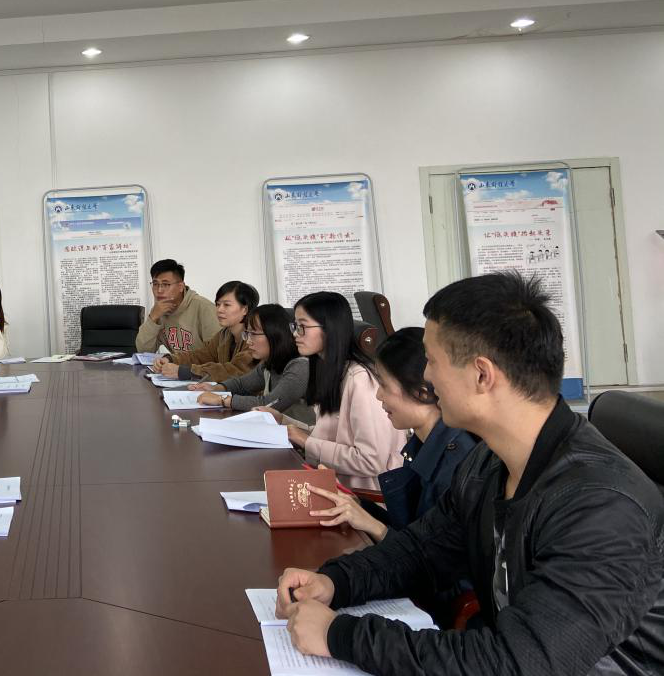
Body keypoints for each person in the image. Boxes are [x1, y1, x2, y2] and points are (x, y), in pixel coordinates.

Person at [275, 273, 664, 675]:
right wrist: (335, 582)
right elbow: (421, 551)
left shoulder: (601, 506)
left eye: (432, 360)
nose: (426, 376)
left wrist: (339, 634)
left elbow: (518, 663)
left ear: (482, 375)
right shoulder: (488, 463)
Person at [302, 326, 476, 541]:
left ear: (421, 392)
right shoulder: (421, 446)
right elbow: (408, 528)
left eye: (384, 384)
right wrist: (356, 504)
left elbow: (428, 555)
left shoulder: (455, 466)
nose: (378, 395)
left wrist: (374, 527)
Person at [275, 291, 404, 490]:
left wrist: (306, 442)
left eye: (302, 326)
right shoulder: (330, 370)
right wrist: (283, 421)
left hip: (364, 496)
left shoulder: (360, 380)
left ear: (329, 329)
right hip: (336, 486)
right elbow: (329, 435)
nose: (295, 334)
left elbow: (371, 460)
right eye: (295, 326)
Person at [190, 303, 313, 423]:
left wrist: (222, 399)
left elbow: (268, 404)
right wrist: (216, 388)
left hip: (301, 435)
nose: (248, 341)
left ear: (274, 334)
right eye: (247, 334)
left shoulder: (300, 366)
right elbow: (242, 385)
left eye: (253, 334)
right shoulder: (269, 363)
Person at [152, 280, 259, 381]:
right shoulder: (224, 334)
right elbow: (201, 356)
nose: (219, 310)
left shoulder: (256, 338)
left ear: (245, 309)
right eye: (218, 304)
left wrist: (185, 372)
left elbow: (234, 371)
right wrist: (171, 359)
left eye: (226, 305)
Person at [135, 259, 221, 354]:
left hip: (201, 364)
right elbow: (144, 351)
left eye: (166, 284)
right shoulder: (158, 311)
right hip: (176, 363)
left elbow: (217, 353)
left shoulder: (204, 308)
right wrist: (152, 318)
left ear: (181, 286)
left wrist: (173, 360)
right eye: (155, 284)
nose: (159, 290)